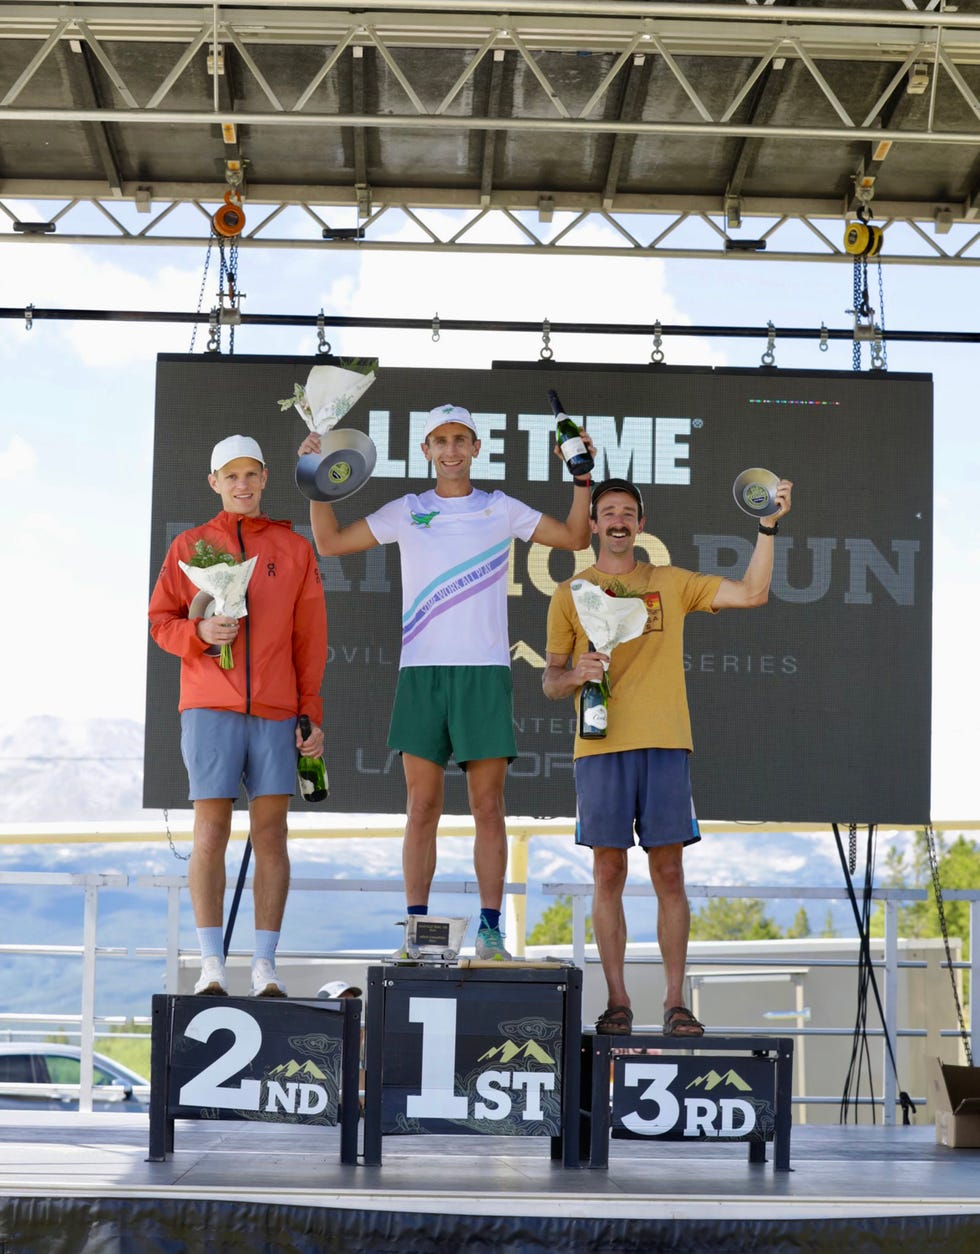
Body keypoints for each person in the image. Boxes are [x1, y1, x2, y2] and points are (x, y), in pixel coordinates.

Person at [299, 403, 593, 960]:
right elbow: (331, 543)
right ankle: (416, 932)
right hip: (421, 674)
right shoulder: (408, 510)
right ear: (426, 450)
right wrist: (314, 481)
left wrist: (581, 477)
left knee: (488, 807)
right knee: (422, 807)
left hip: (484, 674)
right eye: (441, 440)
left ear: (476, 448)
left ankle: (488, 932)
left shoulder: (500, 508)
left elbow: (578, 537)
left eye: (461, 439)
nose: (452, 449)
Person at [542, 475, 793, 1036]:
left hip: (665, 742)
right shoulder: (570, 593)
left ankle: (675, 1003)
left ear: (640, 523)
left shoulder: (670, 583)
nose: (616, 520)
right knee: (607, 870)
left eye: (627, 512)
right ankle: (617, 1002)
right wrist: (575, 675)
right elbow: (550, 681)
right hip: (601, 748)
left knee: (670, 871)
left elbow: (752, 592)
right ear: (594, 524)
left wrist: (768, 525)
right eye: (606, 511)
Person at [149, 434, 328, 998]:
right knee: (211, 831)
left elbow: (310, 640)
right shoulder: (190, 545)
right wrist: (199, 633)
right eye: (231, 476)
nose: (243, 485)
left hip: (276, 711)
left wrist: (310, 712)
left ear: (265, 477)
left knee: (271, 835)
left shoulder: (294, 549)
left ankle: (265, 967)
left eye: (252, 474)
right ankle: (210, 966)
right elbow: (160, 622)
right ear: (214, 483)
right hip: (209, 706)